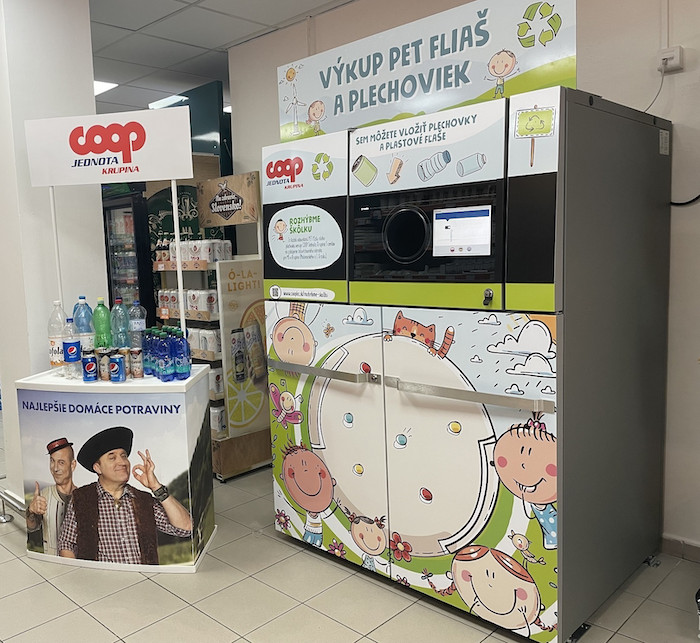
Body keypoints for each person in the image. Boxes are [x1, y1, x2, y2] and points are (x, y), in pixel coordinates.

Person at [58, 426, 192, 565]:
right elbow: (66, 544)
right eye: (112, 457)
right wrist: (80, 575)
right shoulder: (82, 498)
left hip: (144, 577)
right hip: (103, 578)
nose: (122, 462)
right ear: (97, 468)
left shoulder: (143, 501)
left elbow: (186, 528)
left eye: (124, 456)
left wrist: (156, 487)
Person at [26, 437, 77, 555]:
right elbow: (31, 527)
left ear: (73, 465)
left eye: (61, 462)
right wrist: (31, 511)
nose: (55, 468)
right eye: (52, 461)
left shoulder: (83, 497)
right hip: (51, 561)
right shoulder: (44, 495)